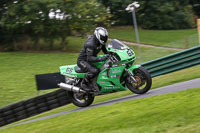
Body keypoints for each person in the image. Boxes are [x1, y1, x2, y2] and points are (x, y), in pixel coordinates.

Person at [77, 27, 108, 92]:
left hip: (92, 59)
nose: (104, 39)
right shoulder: (90, 44)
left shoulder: (100, 42)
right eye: (102, 38)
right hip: (83, 61)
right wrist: (101, 58)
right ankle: (84, 83)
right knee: (95, 71)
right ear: (97, 36)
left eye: (105, 37)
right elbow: (90, 59)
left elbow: (106, 51)